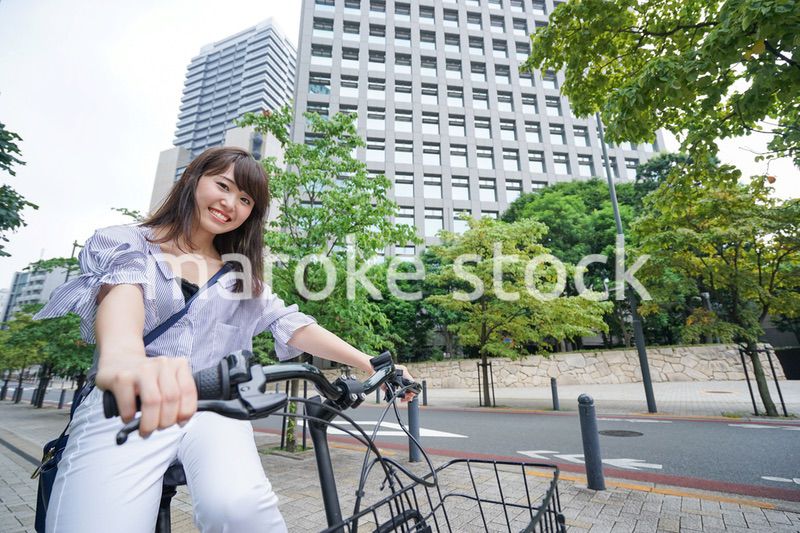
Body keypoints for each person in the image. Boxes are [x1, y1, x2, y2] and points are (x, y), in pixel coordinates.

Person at [35, 146, 416, 533]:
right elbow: (122, 296)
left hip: (215, 407)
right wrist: (126, 360)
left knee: (242, 509)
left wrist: (371, 363)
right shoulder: (130, 243)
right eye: (223, 185)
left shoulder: (240, 276)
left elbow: (291, 323)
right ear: (192, 178)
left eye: (245, 199)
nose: (230, 203)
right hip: (130, 401)